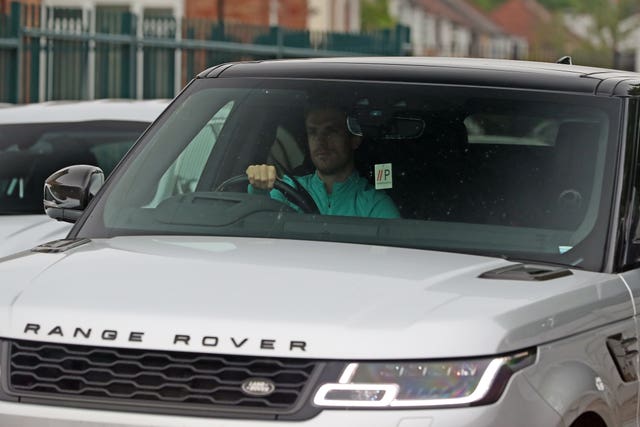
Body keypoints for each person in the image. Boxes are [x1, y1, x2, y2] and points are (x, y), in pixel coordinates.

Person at [246, 104, 400, 218]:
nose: (320, 141)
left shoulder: (374, 205)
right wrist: (259, 188)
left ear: (354, 139)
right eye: (313, 132)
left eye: (330, 131)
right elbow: (257, 228)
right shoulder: (287, 189)